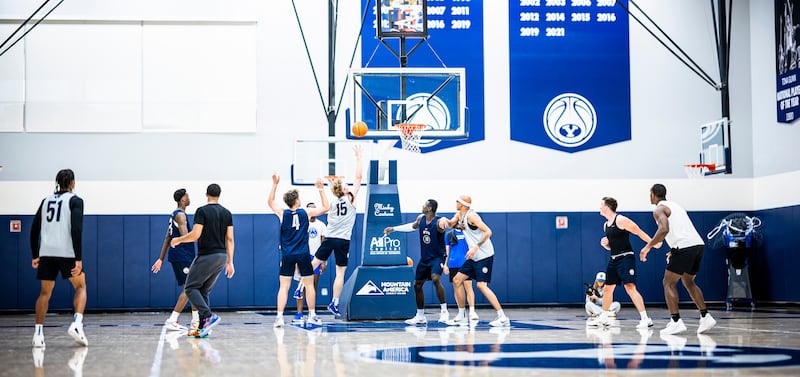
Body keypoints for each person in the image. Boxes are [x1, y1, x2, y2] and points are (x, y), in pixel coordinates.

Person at [641, 183, 717, 335]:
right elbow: (681, 229)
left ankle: (676, 322)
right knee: (688, 281)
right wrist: (674, 249)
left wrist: (647, 247)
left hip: (684, 247)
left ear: (653, 195)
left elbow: (664, 229)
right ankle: (706, 316)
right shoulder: (675, 206)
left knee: (668, 283)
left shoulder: (658, 209)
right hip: (697, 245)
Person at [29, 169, 88, 348]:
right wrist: (78, 258)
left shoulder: (45, 201)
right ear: (72, 183)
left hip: (46, 252)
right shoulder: (75, 201)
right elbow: (76, 230)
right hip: (67, 252)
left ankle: (38, 335)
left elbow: (34, 229)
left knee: (44, 293)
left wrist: (35, 254)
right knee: (81, 286)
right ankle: (76, 323)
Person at [170, 183, 235, 338]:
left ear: (206, 194)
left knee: (190, 288)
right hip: (221, 257)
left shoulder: (202, 211)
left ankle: (208, 315)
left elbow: (195, 235)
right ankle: (202, 328)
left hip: (207, 256)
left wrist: (178, 240)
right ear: (219, 195)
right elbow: (230, 239)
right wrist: (230, 262)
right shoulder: (227, 213)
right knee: (203, 290)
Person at [269, 174, 330, 327]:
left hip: (288, 254)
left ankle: (279, 317)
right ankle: (312, 315)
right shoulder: (306, 212)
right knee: (309, 285)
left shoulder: (283, 213)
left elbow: (270, 202)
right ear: (297, 201)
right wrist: (321, 189)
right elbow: (326, 207)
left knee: (284, 286)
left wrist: (275, 184)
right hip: (303, 254)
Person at [441, 195, 510, 327]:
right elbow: (450, 224)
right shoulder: (459, 214)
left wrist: (476, 247)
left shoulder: (472, 216)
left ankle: (502, 317)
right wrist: (444, 219)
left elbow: (488, 231)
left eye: (457, 201)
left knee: (481, 285)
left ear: (462, 204)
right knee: (457, 280)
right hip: (473, 257)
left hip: (484, 255)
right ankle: (461, 316)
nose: (455, 202)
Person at [587, 197, 656, 329]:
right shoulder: (606, 225)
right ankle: (604, 317)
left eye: (601, 205)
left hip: (626, 258)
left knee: (630, 287)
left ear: (607, 207)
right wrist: (606, 245)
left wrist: (653, 243)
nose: (599, 207)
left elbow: (638, 231)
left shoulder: (621, 220)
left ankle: (645, 319)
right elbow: (612, 246)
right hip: (614, 259)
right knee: (608, 289)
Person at [311, 146, 363, 317]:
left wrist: (321, 188)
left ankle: (300, 287)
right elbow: (359, 177)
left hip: (329, 238)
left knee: (313, 264)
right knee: (340, 273)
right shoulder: (351, 199)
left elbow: (324, 207)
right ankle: (334, 302)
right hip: (342, 240)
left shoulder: (332, 203)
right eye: (346, 185)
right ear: (345, 190)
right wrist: (358, 157)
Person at [385, 199, 449, 325]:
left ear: (429, 208)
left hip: (438, 257)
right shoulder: (421, 219)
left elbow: (449, 224)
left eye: (425, 205)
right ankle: (420, 316)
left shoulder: (439, 222)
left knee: (435, 278)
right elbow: (411, 227)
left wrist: (454, 224)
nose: (422, 206)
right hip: (425, 258)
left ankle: (444, 311)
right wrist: (394, 229)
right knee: (417, 285)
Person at [151, 188, 199, 331]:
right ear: (183, 199)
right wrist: (200, 234)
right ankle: (173, 320)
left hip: (182, 256)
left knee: (194, 287)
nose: (189, 198)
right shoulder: (180, 216)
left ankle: (195, 321)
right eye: (187, 196)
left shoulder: (175, 214)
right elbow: (186, 237)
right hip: (182, 256)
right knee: (190, 288)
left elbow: (168, 238)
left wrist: (160, 259)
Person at [291, 202, 328, 324]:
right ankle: (299, 313)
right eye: (310, 209)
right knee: (300, 286)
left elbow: (324, 245)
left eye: (314, 209)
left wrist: (324, 262)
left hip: (316, 258)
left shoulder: (321, 225)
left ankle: (312, 313)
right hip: (302, 256)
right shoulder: (301, 224)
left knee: (312, 286)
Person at [443, 227, 479, 322]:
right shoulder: (449, 234)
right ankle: (461, 312)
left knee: (468, 286)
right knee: (457, 287)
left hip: (466, 263)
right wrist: (445, 264)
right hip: (453, 264)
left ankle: (472, 311)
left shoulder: (468, 233)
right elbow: (447, 251)